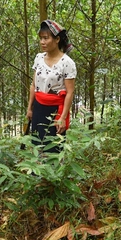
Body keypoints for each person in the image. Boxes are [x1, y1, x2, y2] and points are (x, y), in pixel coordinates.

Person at [25, 20, 77, 152]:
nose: (42, 42)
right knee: (37, 145)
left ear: (57, 39)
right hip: (38, 108)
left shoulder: (67, 63)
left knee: (54, 148)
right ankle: (36, 173)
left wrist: (62, 117)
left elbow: (70, 93)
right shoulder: (39, 58)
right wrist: (30, 108)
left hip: (55, 111)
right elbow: (34, 84)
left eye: (46, 38)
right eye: (41, 38)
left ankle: (53, 172)